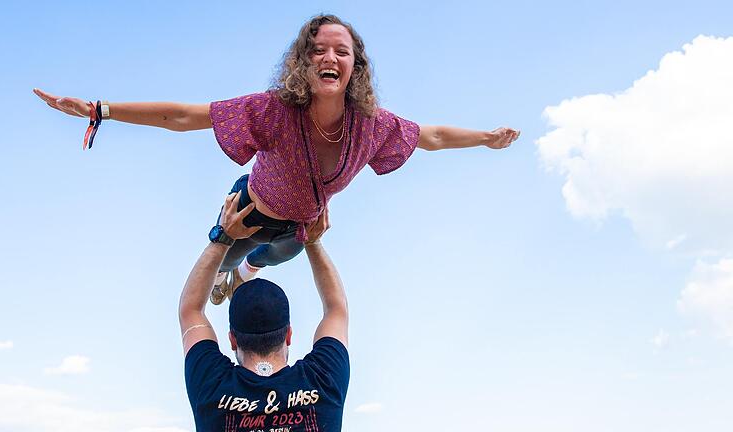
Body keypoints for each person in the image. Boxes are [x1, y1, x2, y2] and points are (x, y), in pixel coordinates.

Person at [34, 14, 520, 303]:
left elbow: (430, 136)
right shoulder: (273, 111)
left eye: (342, 51)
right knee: (213, 274)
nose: (329, 56)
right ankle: (230, 272)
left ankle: (242, 277)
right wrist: (102, 110)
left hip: (296, 229)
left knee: (280, 255)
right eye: (318, 50)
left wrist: (485, 138)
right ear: (303, 62)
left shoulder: (372, 125)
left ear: (355, 65)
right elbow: (184, 116)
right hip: (247, 211)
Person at [179, 191, 348, 432]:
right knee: (287, 243)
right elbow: (336, 309)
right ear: (288, 335)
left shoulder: (212, 386)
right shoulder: (323, 381)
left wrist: (222, 238)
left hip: (255, 217)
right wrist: (313, 242)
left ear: (233, 340)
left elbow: (191, 309)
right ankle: (246, 268)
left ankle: (235, 271)